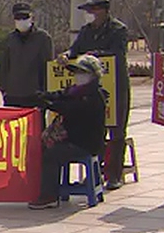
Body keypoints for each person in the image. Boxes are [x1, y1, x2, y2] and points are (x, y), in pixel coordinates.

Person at [62, 0, 130, 191]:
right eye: (88, 10)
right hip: (92, 89)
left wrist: (93, 55)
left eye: (93, 10)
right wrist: (66, 56)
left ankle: (114, 174)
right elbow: (75, 49)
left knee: (116, 130)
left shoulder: (118, 29)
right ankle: (95, 173)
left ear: (104, 11)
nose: (90, 14)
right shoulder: (86, 31)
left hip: (115, 86)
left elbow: (117, 53)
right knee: (95, 129)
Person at [29, 55, 108, 210]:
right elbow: (61, 95)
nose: (79, 76)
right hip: (73, 138)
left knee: (51, 154)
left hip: (85, 143)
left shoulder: (94, 97)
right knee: (43, 146)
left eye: (83, 72)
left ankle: (49, 196)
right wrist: (43, 96)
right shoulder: (76, 91)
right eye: (77, 72)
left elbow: (70, 109)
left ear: (93, 75)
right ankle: (49, 188)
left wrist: (49, 104)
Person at [0, 3, 55, 109]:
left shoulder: (43, 38)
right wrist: (4, 88)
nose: (21, 20)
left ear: (31, 18)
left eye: (25, 17)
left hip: (35, 94)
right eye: (18, 18)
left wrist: (45, 92)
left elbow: (47, 66)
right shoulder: (10, 38)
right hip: (12, 95)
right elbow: (6, 65)